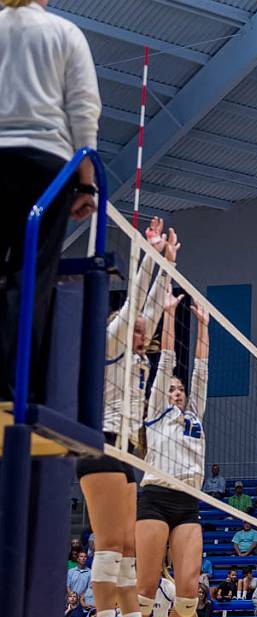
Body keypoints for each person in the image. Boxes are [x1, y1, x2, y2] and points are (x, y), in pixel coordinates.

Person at [70, 221, 176, 617]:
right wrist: (151, 256)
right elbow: (137, 304)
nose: (140, 329)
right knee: (111, 544)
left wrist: (169, 265)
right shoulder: (112, 347)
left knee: (128, 548)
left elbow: (147, 311)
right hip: (100, 445)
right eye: (133, 326)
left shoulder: (136, 356)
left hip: (127, 454)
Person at [0, 0, 100, 403]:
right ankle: (12, 387)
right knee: (32, 277)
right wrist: (87, 185)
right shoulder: (64, 33)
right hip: (46, 167)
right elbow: (84, 109)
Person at [135, 295, 210, 617]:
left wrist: (204, 327)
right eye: (171, 389)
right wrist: (169, 315)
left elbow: (201, 368)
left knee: (189, 593)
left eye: (179, 389)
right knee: (146, 589)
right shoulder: (155, 413)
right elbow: (166, 361)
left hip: (187, 501)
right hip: (154, 496)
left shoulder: (194, 414)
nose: (176, 392)